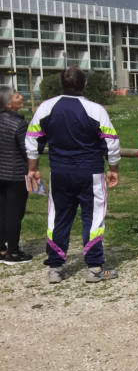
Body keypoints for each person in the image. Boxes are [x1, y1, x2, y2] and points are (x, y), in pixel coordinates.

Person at [26, 67, 120, 283]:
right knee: (93, 218)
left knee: (58, 217)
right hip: (91, 172)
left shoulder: (45, 107)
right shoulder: (96, 110)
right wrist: (113, 169)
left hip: (60, 171)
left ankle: (55, 268)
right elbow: (112, 142)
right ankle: (95, 268)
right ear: (84, 84)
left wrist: (33, 167)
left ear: (61, 84)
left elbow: (32, 140)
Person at [0, 86, 32, 264]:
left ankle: (1, 248)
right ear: (9, 103)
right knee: (15, 213)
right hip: (15, 174)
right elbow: (27, 149)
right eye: (17, 95)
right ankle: (13, 251)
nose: (21, 97)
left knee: (1, 211)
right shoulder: (18, 123)